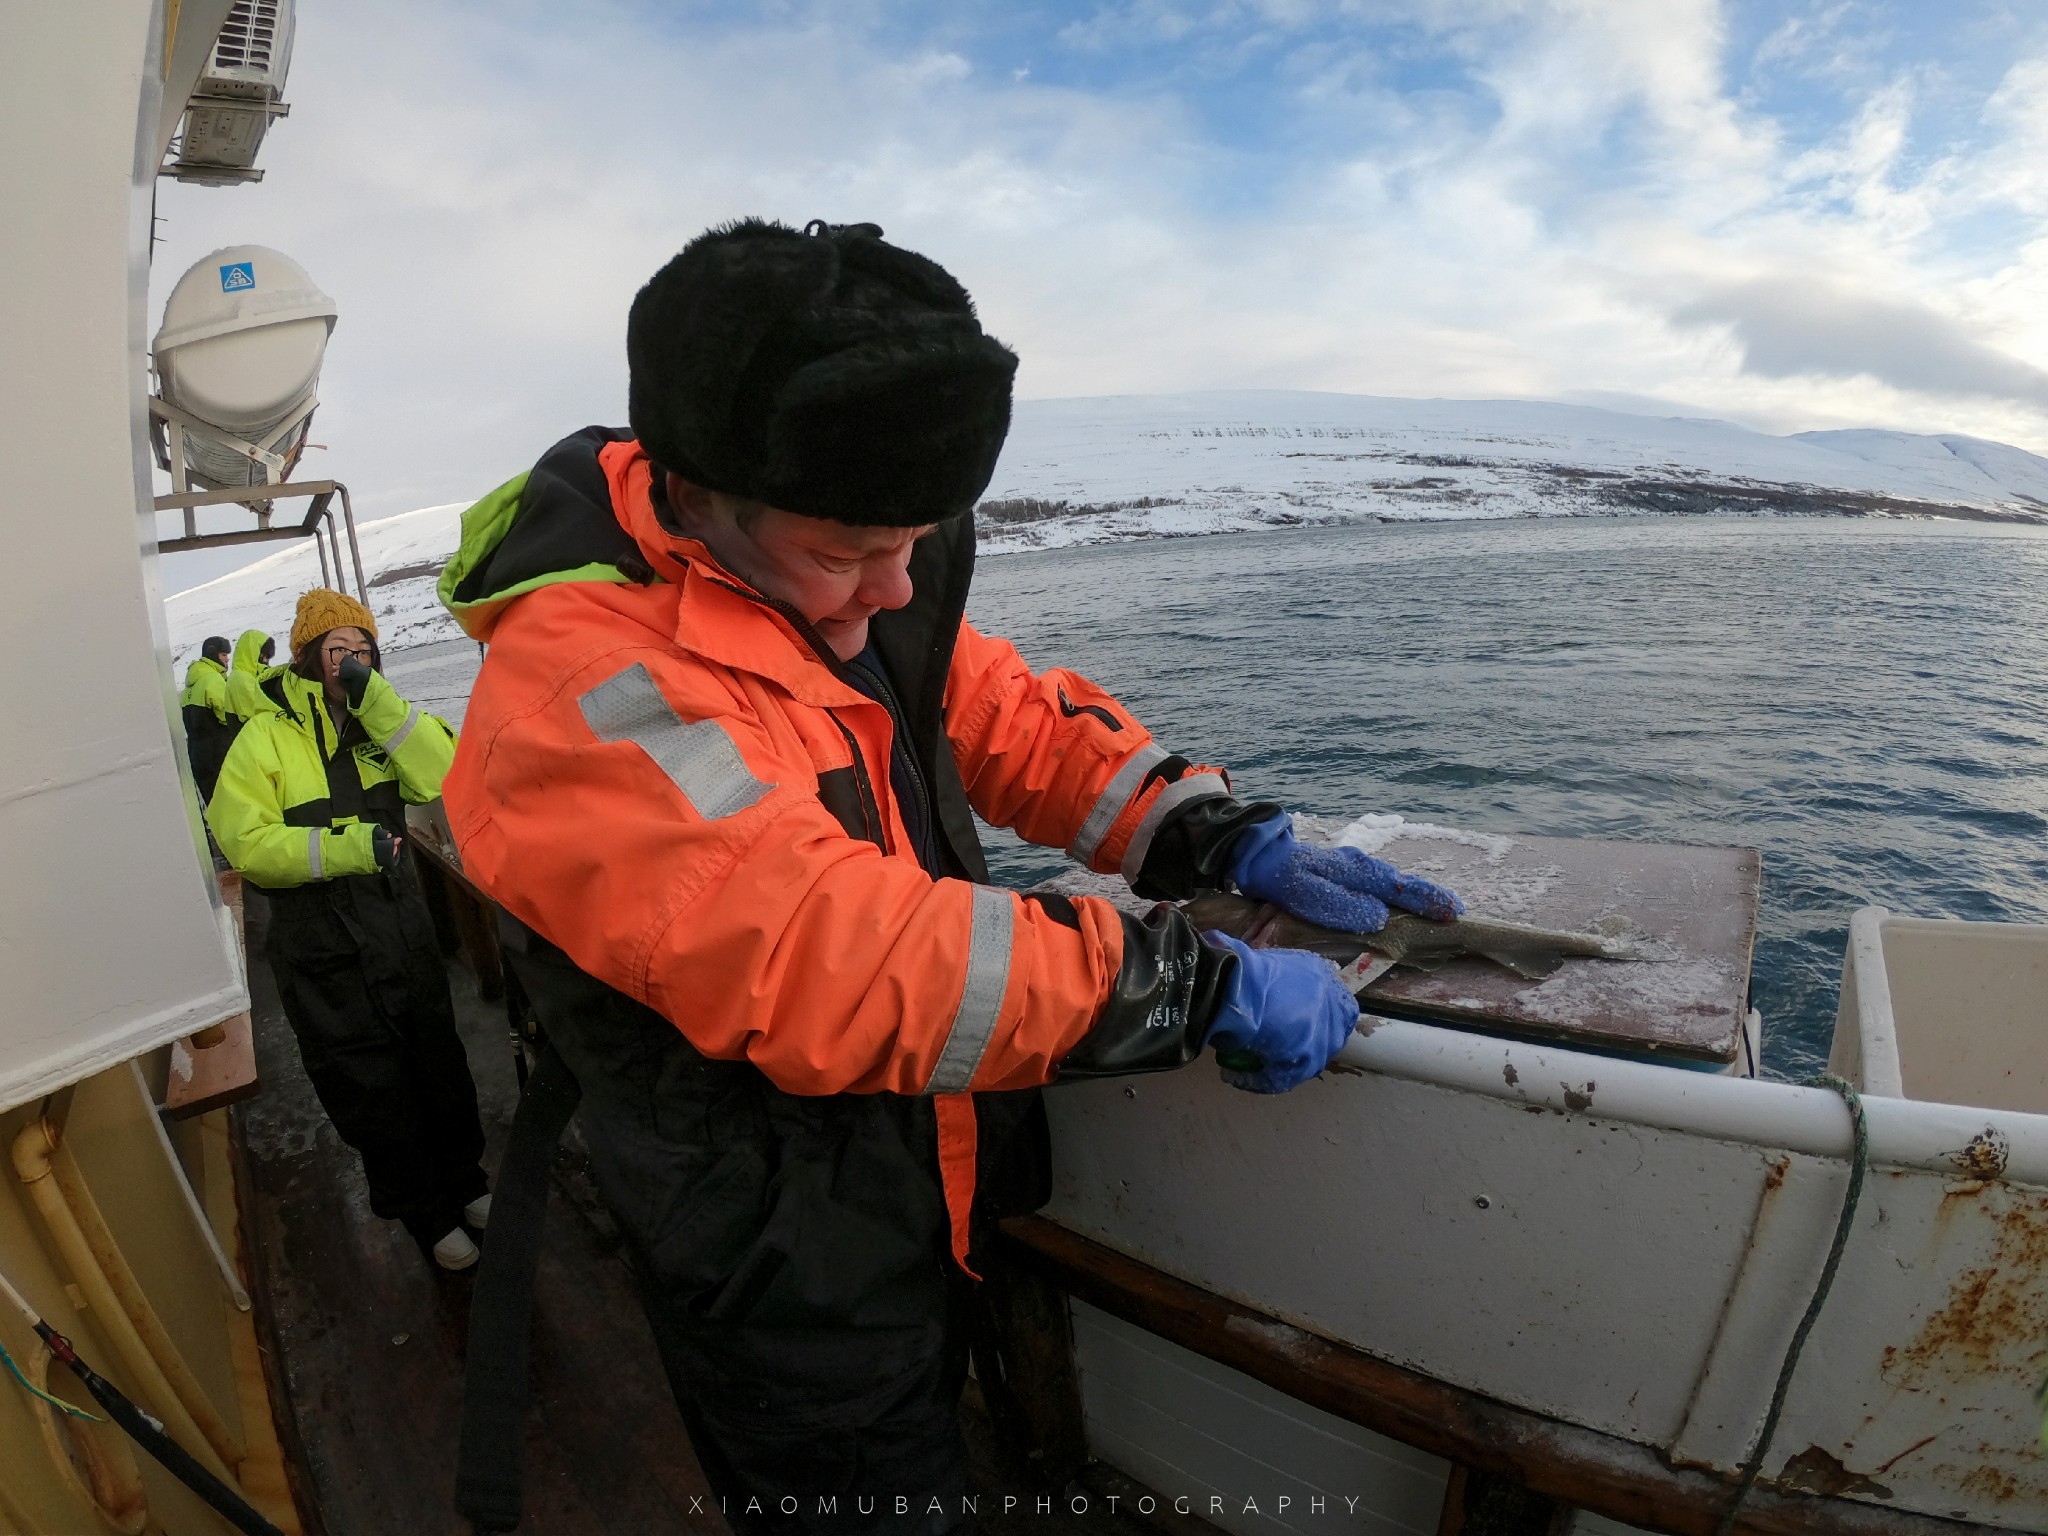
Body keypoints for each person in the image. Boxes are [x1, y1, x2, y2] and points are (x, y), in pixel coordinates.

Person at [439, 219, 1461, 1526]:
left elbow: (995, 710)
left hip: (917, 1165)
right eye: (848, 554)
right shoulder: (588, 689)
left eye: (917, 542)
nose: (892, 590)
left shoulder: (833, 565)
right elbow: (816, 946)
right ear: (697, 496)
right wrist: (1189, 987)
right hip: (776, 1252)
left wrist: (1203, 832)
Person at [209, 588, 492, 1270]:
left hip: (400, 930)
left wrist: (380, 703)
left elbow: (445, 778)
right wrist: (345, 849)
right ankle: (425, 1213)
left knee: (437, 1061)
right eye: (338, 649)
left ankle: (468, 1181)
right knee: (371, 1083)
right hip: (322, 947)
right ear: (307, 657)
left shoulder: (380, 722)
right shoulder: (264, 736)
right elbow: (244, 841)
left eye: (364, 648)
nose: (352, 660)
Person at [178, 634, 237, 799]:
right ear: (213, 654)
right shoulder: (212, 679)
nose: (227, 660)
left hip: (198, 755)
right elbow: (228, 715)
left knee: (213, 802)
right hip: (218, 753)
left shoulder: (191, 684)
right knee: (230, 801)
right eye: (224, 655)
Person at [225, 628, 277, 722]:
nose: (266, 661)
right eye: (264, 656)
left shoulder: (248, 675)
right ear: (255, 653)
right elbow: (257, 711)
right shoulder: (241, 678)